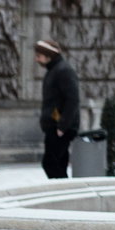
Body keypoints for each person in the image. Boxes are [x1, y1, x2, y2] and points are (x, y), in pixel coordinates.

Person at [35, 39, 82, 180]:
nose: (37, 59)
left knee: (50, 163)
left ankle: (63, 192)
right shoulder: (55, 71)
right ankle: (63, 191)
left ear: (48, 55)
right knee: (58, 163)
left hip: (60, 127)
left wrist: (62, 126)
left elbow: (73, 100)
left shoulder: (63, 71)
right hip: (55, 126)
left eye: (39, 55)